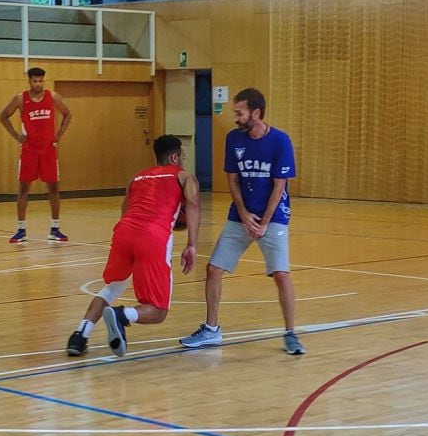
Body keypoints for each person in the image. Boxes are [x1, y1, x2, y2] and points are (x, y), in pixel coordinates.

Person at [179, 88, 304, 355]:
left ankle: (291, 333)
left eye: (239, 112)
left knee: (281, 275)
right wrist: (245, 215)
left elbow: (279, 186)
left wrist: (264, 222)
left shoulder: (280, 141)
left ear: (255, 113)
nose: (234, 117)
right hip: (241, 216)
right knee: (213, 269)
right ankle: (211, 330)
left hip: (274, 217)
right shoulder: (233, 139)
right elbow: (233, 179)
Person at [66, 135, 200, 358]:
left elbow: (126, 209)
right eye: (183, 157)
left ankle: (80, 335)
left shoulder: (137, 178)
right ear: (175, 156)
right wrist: (192, 245)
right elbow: (194, 205)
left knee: (112, 287)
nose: (183, 161)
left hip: (124, 232)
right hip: (152, 237)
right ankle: (123, 315)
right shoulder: (184, 177)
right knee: (158, 311)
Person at [0, 67, 72, 242]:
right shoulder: (20, 99)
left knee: (53, 189)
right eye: (35, 81)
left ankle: (55, 228)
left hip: (48, 150)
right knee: (23, 189)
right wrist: (17, 136)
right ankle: (21, 230)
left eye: (41, 81)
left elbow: (68, 114)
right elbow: (3, 116)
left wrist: (59, 135)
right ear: (29, 81)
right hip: (29, 150)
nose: (38, 84)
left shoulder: (53, 96)